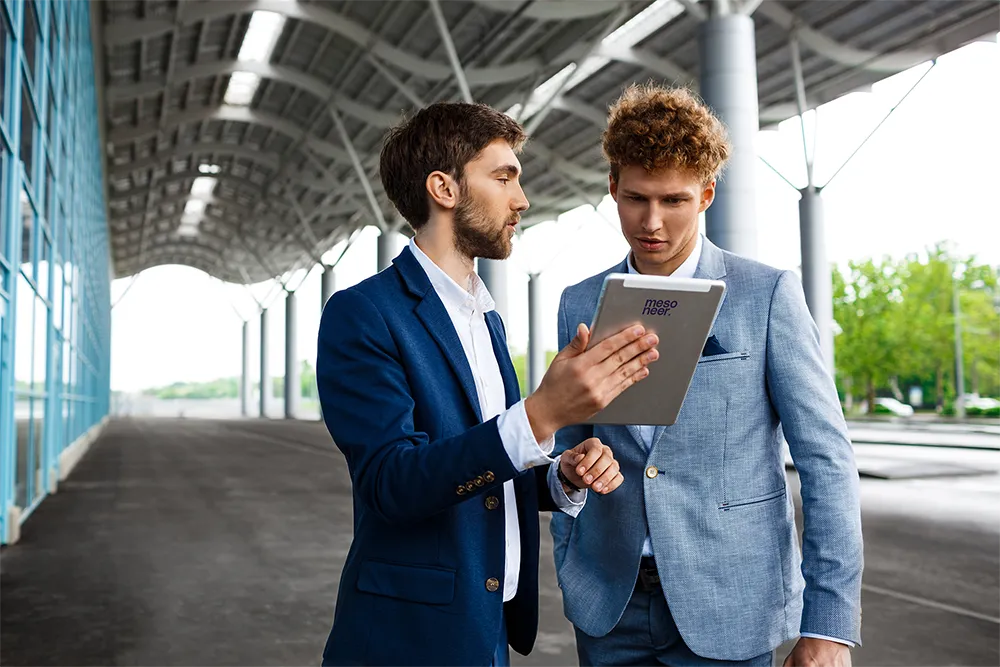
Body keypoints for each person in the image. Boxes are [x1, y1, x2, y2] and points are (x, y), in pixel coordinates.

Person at [316, 101, 660, 667]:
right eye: (503, 177)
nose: (521, 200)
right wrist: (540, 415)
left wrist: (559, 478)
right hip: (408, 638)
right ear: (443, 188)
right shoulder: (363, 314)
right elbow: (390, 482)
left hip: (486, 630)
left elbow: (486, 469)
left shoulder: (486, 318)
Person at [551, 84, 863, 667]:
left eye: (673, 200)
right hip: (608, 602)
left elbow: (826, 459)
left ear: (706, 195)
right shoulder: (578, 303)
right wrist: (568, 511)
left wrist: (829, 624)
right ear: (612, 188)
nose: (652, 222)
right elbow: (567, 447)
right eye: (636, 198)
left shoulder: (765, 295)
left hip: (731, 602)